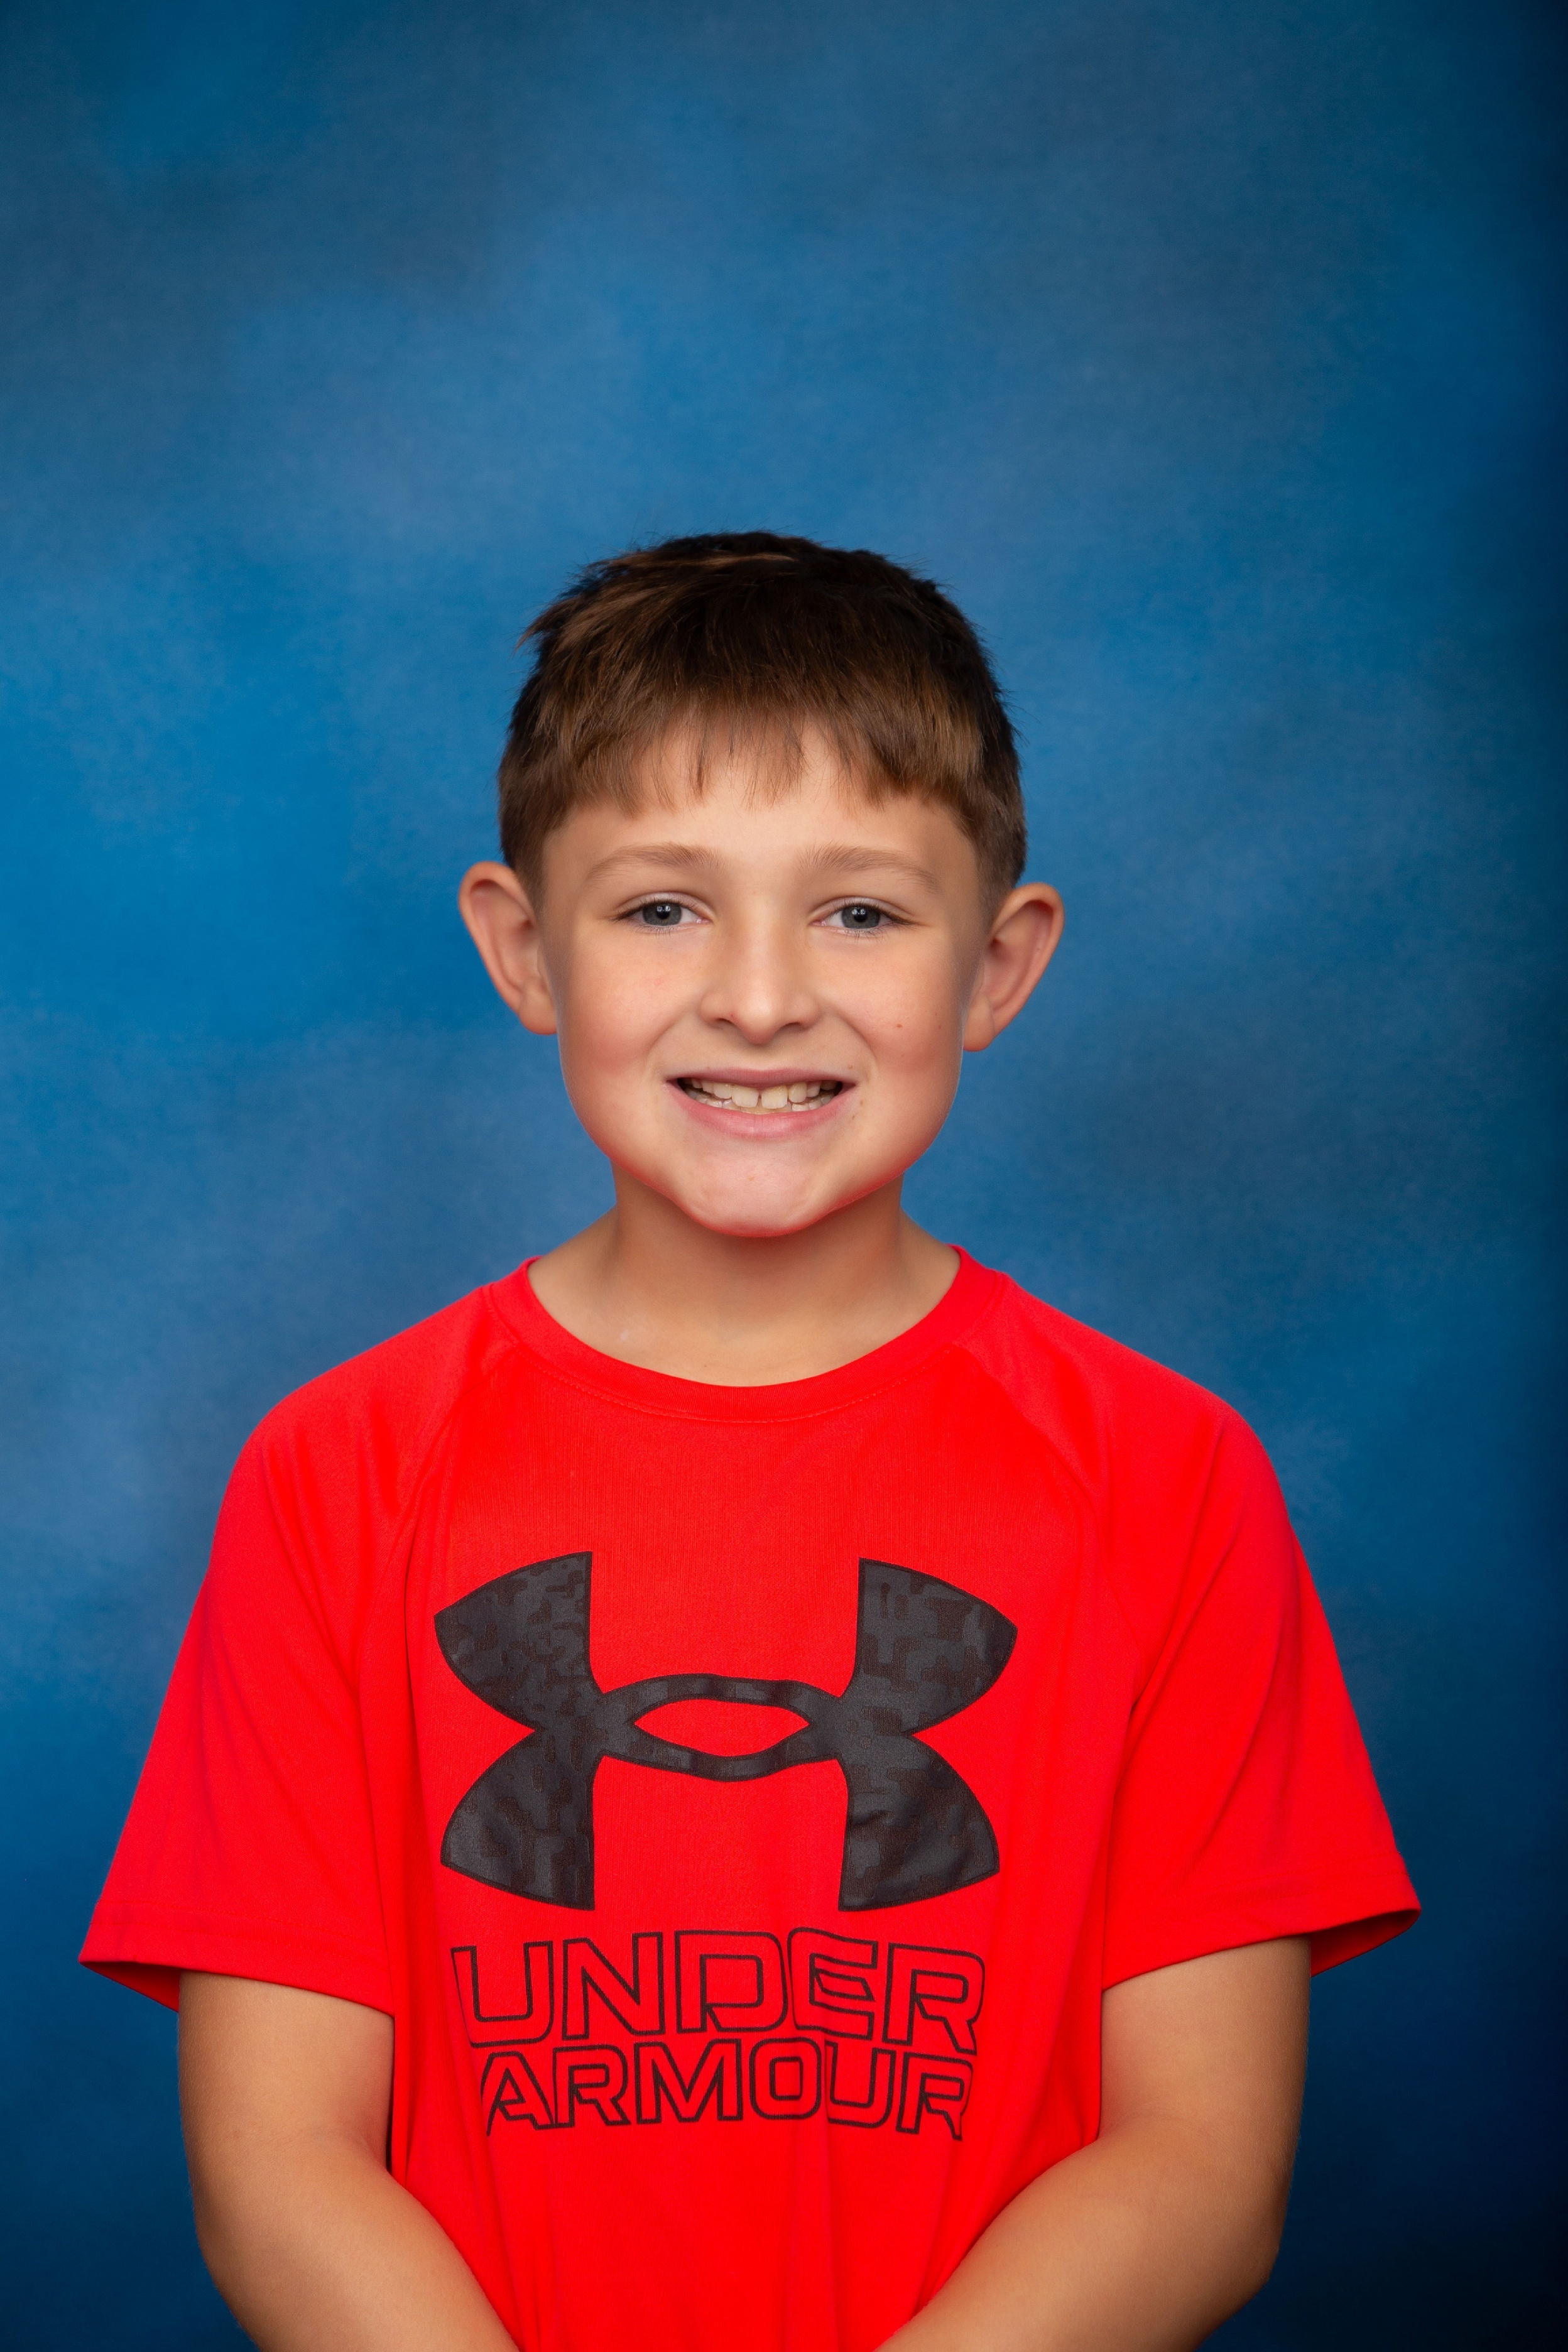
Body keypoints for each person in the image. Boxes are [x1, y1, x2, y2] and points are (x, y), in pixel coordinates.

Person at [82, 533, 1417, 2352]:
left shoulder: (1165, 1477)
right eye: (662, 909)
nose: (765, 996)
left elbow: (1197, 2164)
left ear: (1000, 964)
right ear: (524, 950)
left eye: (860, 912)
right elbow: (281, 2166)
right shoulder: (342, 1472)